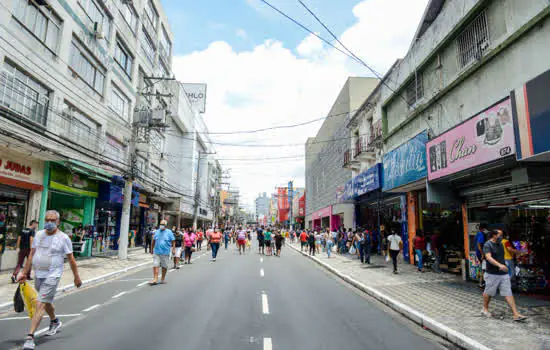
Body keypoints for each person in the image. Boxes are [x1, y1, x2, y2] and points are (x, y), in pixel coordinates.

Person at [17, 210, 82, 350]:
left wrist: (76, 277)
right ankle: (55, 321)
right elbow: (31, 254)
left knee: (40, 303)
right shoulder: (39, 234)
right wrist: (24, 272)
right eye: (47, 220)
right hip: (39, 274)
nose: (49, 223)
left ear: (58, 222)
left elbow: (71, 259)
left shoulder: (63, 238)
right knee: (46, 301)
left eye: (53, 220)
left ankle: (30, 337)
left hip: (53, 275)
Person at [482, 229, 527, 322]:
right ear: (494, 235)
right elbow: (488, 257)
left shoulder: (501, 244)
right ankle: (485, 309)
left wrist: (520, 253)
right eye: (500, 235)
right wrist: (499, 265)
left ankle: (515, 314)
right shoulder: (488, 244)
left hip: (503, 273)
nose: (501, 237)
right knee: (489, 292)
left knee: (508, 292)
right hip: (492, 273)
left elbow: (505, 255)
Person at [150, 220, 174, 285]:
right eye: (160, 224)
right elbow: (153, 241)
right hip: (156, 251)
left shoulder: (169, 232)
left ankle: (162, 279)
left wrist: (173, 249)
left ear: (165, 225)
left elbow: (173, 241)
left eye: (163, 224)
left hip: (165, 252)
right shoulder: (157, 232)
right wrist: (151, 249)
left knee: (164, 266)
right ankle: (155, 279)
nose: (161, 225)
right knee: (155, 265)